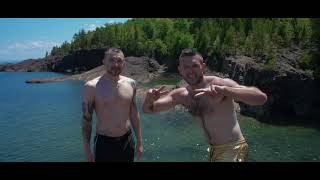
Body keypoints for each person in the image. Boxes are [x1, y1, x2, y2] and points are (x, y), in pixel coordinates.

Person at [142, 48, 267, 162]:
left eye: (195, 66)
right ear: (180, 70)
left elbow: (260, 98)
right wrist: (149, 98)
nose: (190, 71)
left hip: (232, 149)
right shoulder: (181, 95)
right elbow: (149, 110)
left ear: (203, 67)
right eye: (186, 67)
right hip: (214, 151)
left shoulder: (219, 84)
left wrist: (225, 91)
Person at [81, 47, 143, 162]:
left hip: (127, 141)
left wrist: (139, 141)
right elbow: (86, 120)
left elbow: (134, 113)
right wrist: (87, 149)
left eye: (119, 61)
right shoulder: (91, 87)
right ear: (104, 62)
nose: (115, 64)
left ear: (123, 63)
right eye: (111, 60)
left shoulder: (131, 84)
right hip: (104, 143)